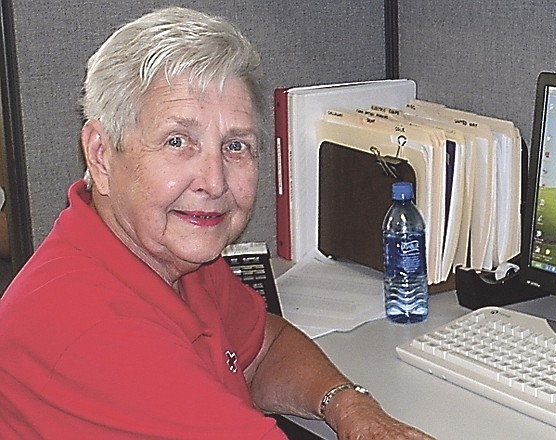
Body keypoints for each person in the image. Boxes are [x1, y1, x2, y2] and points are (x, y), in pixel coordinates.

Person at [0, 7, 432, 439]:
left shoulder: (166, 254)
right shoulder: (95, 334)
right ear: (100, 153)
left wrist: (351, 407)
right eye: (177, 141)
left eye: (236, 146)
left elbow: (262, 347)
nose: (214, 181)